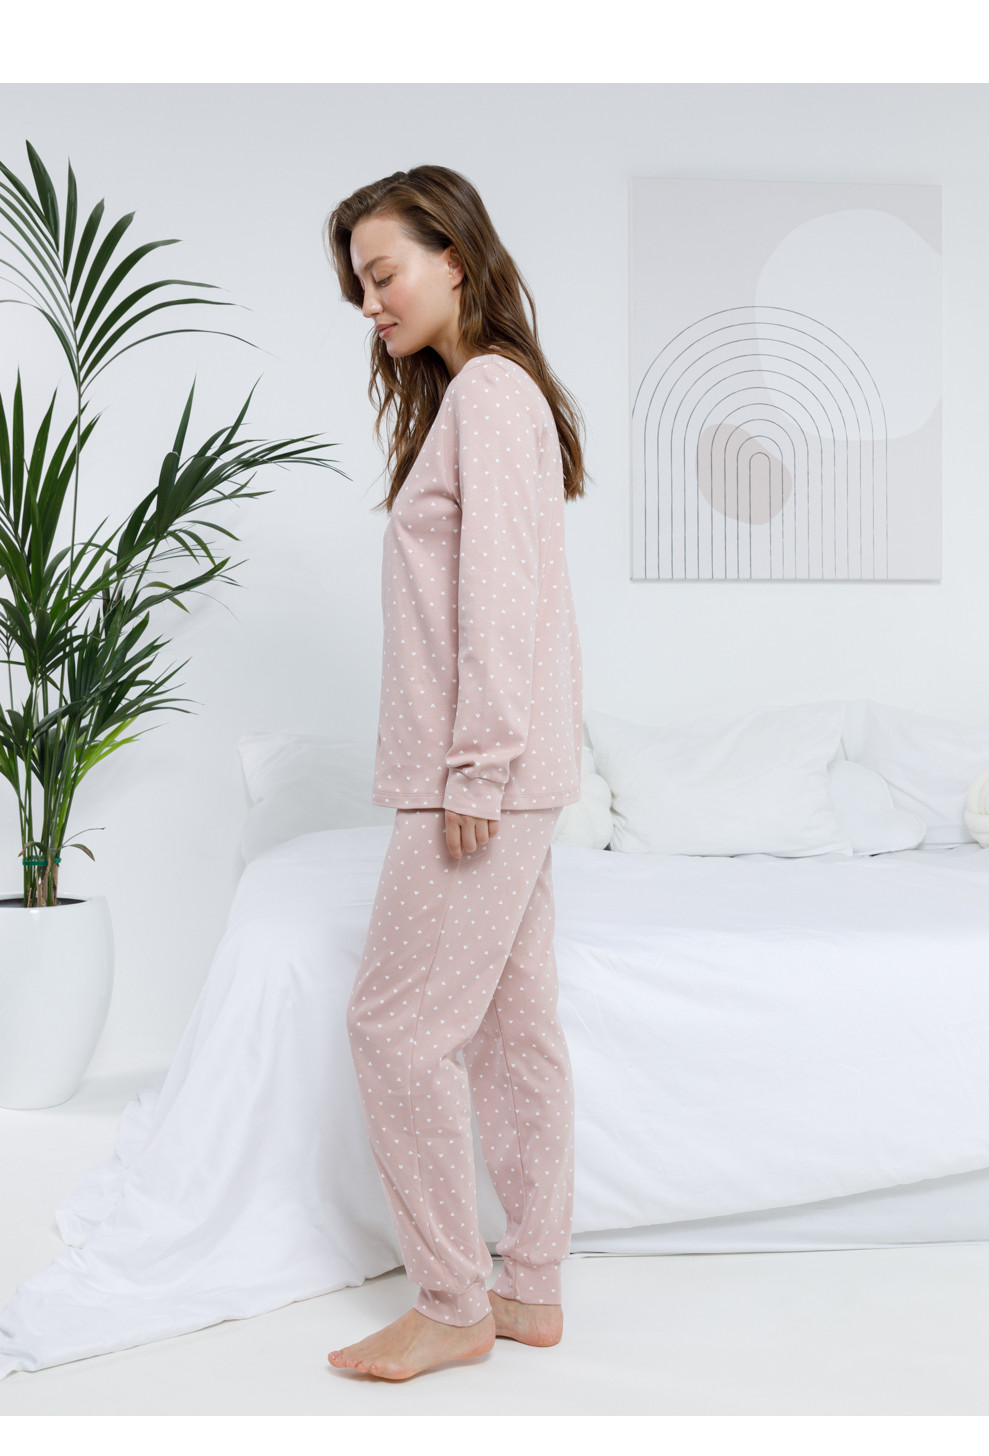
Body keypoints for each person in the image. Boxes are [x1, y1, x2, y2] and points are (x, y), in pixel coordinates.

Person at [323, 165, 587, 1381]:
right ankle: (527, 1287)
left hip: (479, 776)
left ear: (455, 260)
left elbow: (502, 596)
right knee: (512, 1033)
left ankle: (451, 1301)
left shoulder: (488, 390)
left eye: (382, 275)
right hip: (513, 770)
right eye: (358, 287)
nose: (369, 303)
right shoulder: (493, 394)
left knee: (393, 1030)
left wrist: (475, 769)